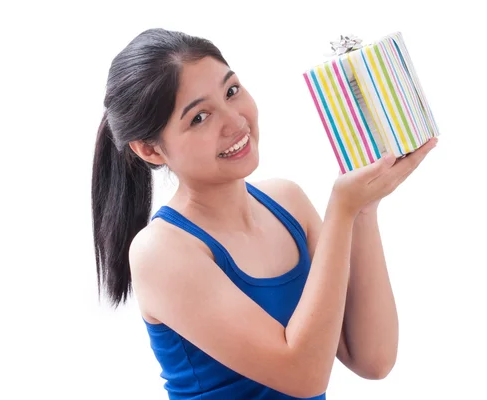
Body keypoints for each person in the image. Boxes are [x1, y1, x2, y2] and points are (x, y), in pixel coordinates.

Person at [91, 28, 438, 399]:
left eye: (231, 91)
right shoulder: (161, 250)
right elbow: (304, 377)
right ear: (150, 150)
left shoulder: (286, 203)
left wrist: (363, 211)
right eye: (199, 117)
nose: (234, 121)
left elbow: (373, 359)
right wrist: (341, 210)